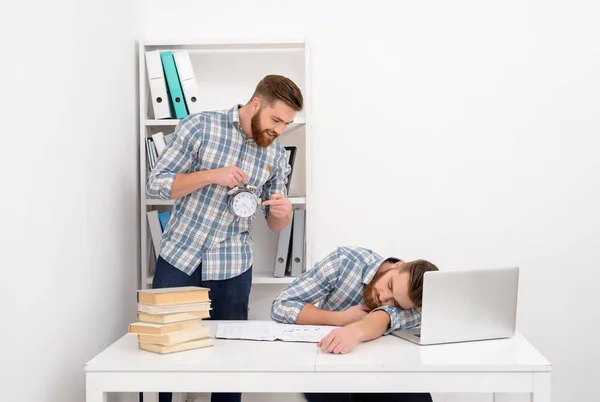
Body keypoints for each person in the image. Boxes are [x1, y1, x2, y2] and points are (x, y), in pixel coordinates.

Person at [145, 74, 304, 402]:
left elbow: (275, 223)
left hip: (233, 265)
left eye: (286, 124)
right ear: (256, 104)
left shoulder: (275, 155)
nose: (278, 131)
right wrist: (212, 176)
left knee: (232, 361)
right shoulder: (201, 126)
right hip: (180, 258)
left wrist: (282, 212)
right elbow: (156, 184)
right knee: (165, 353)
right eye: (275, 120)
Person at [270, 245, 439, 402]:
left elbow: (385, 316)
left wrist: (356, 330)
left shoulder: (417, 302)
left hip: (380, 367)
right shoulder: (344, 262)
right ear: (396, 265)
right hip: (330, 362)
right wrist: (341, 319)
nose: (384, 298)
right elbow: (281, 305)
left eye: (396, 303)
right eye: (389, 285)